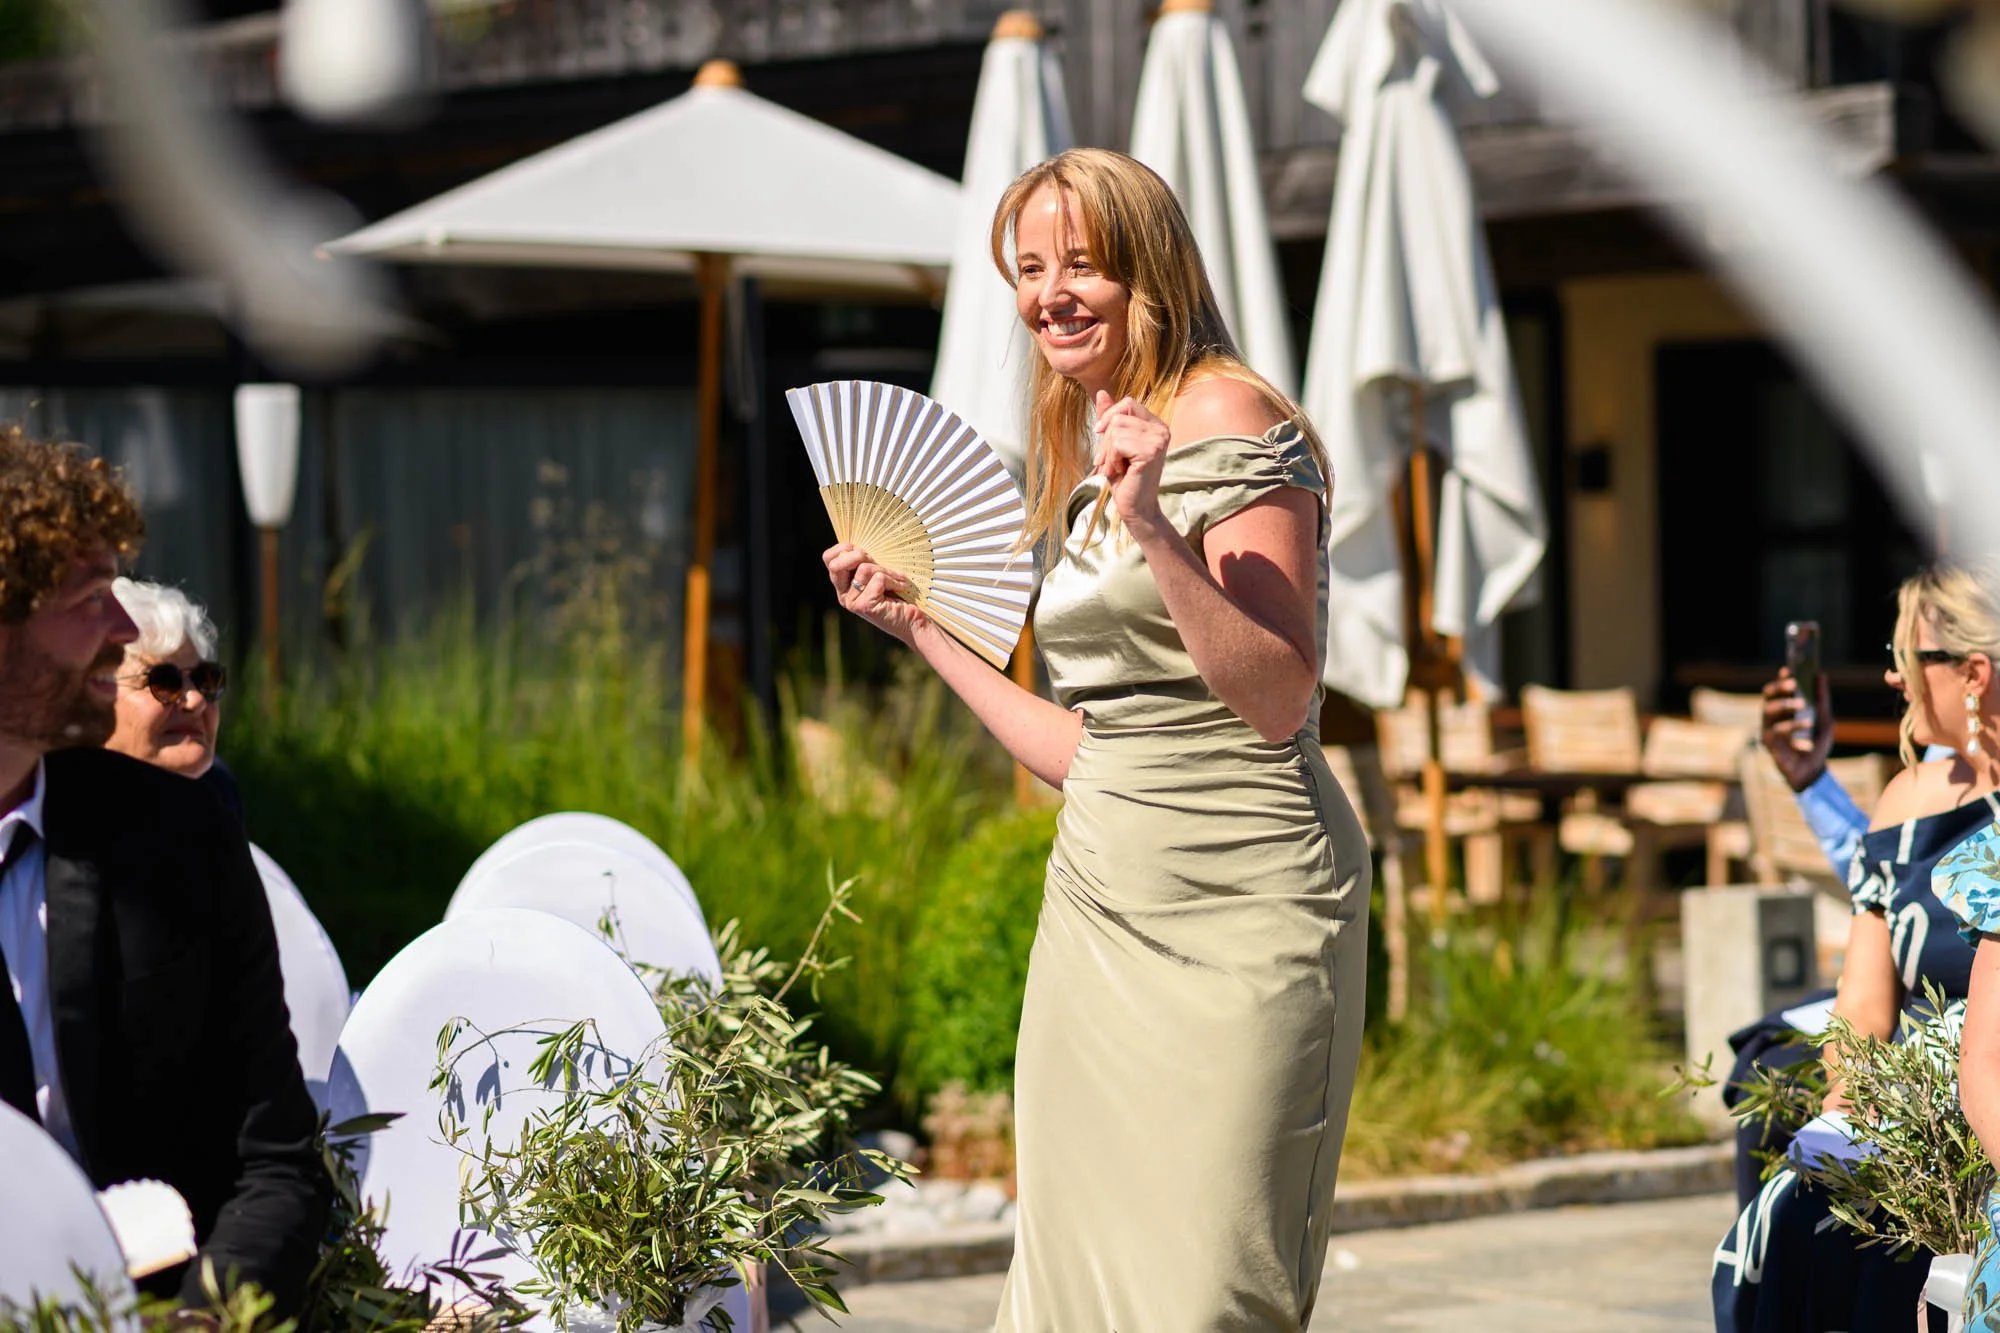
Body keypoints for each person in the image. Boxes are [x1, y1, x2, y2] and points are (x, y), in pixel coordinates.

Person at [822, 147, 1368, 1331]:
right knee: (1076, 1290)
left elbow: (1275, 695)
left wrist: (1152, 529)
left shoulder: (1228, 413)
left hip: (1246, 900)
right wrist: (917, 627)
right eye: (1027, 268)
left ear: (1147, 269)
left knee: (1204, 1290)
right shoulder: (1090, 442)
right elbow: (1087, 747)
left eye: (1081, 263)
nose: (1049, 293)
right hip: (1101, 903)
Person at [0, 426, 327, 1312]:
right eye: (84, 598)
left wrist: (204, 1323)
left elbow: (278, 1165)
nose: (119, 629)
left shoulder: (181, 834)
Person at [1714, 563, 2000, 1333]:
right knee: (1795, 1172)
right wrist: (1849, 1114)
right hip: (1912, 1078)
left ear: (1973, 675)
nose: (1890, 675)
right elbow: (1864, 999)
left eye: (1909, 660)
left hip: (1981, 1086)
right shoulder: (1908, 795)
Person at [104, 576, 244, 823]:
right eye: (164, 682)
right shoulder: (50, 828)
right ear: (94, 698)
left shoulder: (219, 801)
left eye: (206, 679)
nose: (197, 700)